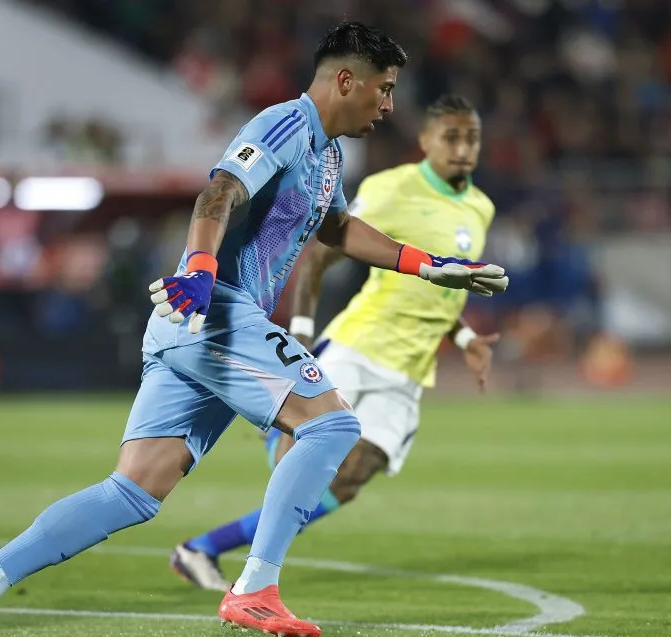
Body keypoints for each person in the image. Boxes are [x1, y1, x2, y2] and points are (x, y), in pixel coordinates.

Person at [0, 22, 508, 637]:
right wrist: (202, 270)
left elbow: (338, 228)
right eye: (385, 88)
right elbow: (219, 191)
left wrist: (428, 265)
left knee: (133, 491)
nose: (390, 105)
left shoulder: (328, 153)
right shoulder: (283, 125)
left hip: (197, 326)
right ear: (347, 80)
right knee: (333, 427)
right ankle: (255, 587)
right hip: (215, 312)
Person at [170, 94, 502, 590]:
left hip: (408, 369)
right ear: (426, 141)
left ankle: (204, 547)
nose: (462, 148)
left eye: (471, 137)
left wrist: (467, 335)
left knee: (348, 482)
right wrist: (301, 334)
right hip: (358, 345)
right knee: (299, 463)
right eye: (450, 136)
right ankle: (254, 579)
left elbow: (440, 292)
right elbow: (322, 254)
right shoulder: (393, 188)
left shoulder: (480, 207)